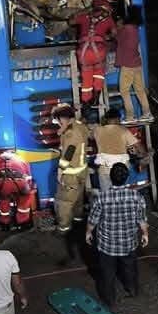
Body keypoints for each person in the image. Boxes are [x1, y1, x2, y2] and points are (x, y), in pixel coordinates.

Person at [87, 163, 149, 306]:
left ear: (110, 178)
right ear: (127, 178)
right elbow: (142, 218)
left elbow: (93, 220)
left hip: (107, 245)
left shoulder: (102, 197)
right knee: (130, 268)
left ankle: (110, 300)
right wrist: (145, 234)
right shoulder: (137, 196)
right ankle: (132, 290)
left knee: (107, 274)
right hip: (129, 242)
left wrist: (88, 232)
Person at [53, 105, 89, 257]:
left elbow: (68, 153)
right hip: (81, 172)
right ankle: (78, 220)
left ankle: (63, 229)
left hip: (70, 174)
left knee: (64, 202)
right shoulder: (80, 126)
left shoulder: (71, 134)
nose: (58, 123)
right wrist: (63, 130)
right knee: (78, 199)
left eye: (59, 121)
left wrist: (60, 170)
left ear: (64, 119)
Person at [73, 0, 114, 108]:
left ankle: (86, 102)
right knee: (99, 74)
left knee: (86, 77)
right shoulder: (108, 19)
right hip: (99, 52)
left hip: (84, 53)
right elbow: (114, 33)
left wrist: (84, 11)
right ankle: (96, 99)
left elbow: (71, 21)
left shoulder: (84, 16)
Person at [92, 107, 146, 192]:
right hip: (121, 169)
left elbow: (89, 136)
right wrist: (144, 155)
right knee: (123, 192)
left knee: (106, 194)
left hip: (104, 168)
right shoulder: (123, 130)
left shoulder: (98, 130)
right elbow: (139, 146)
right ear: (118, 118)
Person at [113, 6, 151, 122]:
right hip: (137, 63)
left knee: (124, 90)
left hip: (128, 65)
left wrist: (118, 27)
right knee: (140, 90)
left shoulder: (126, 28)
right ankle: (147, 113)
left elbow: (117, 37)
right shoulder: (135, 27)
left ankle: (130, 116)